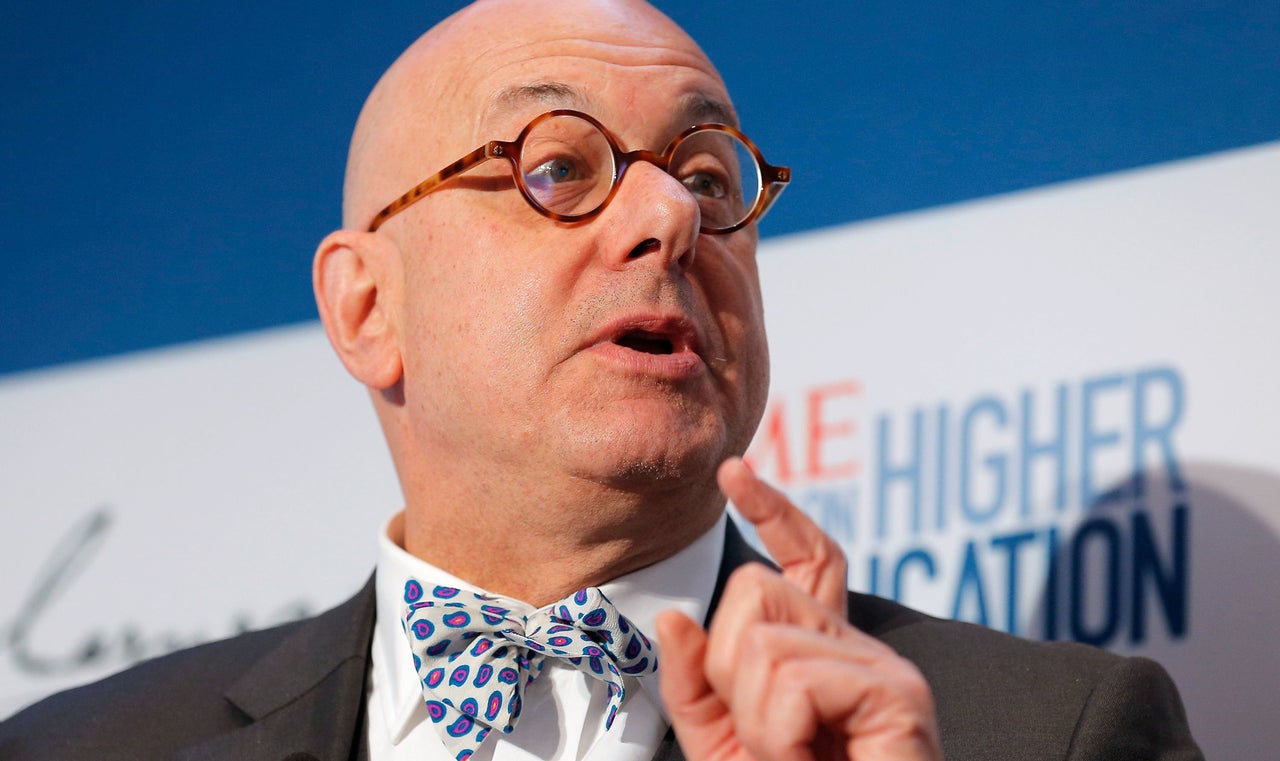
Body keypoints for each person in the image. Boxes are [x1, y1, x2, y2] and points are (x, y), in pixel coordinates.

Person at [0, 1, 1202, 759]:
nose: (671, 215)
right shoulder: (83, 747)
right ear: (367, 306)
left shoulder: (1052, 733)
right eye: (558, 168)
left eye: (708, 177)